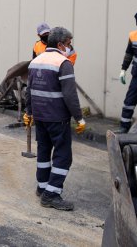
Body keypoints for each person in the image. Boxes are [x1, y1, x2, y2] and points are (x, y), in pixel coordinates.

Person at [24, 26, 85, 211]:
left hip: (40, 117)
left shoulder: (35, 61)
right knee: (63, 156)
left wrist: (29, 112)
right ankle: (52, 194)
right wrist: (79, 118)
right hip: (57, 117)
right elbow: (70, 95)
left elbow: (29, 91)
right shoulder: (63, 63)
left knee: (43, 151)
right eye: (68, 44)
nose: (69, 47)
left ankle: (42, 187)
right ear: (60, 44)